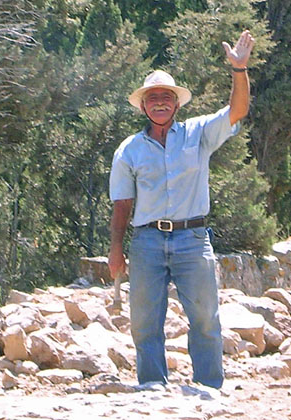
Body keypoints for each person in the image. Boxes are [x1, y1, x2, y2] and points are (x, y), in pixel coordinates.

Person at [107, 30, 255, 389]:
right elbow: (122, 204)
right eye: (153, 98)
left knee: (205, 318)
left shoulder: (198, 133)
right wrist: (115, 250)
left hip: (193, 238)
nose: (160, 103)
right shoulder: (129, 150)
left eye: (166, 98)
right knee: (144, 322)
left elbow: (237, 111)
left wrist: (239, 70)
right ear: (143, 106)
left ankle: (209, 390)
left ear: (176, 104)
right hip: (146, 242)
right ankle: (152, 392)